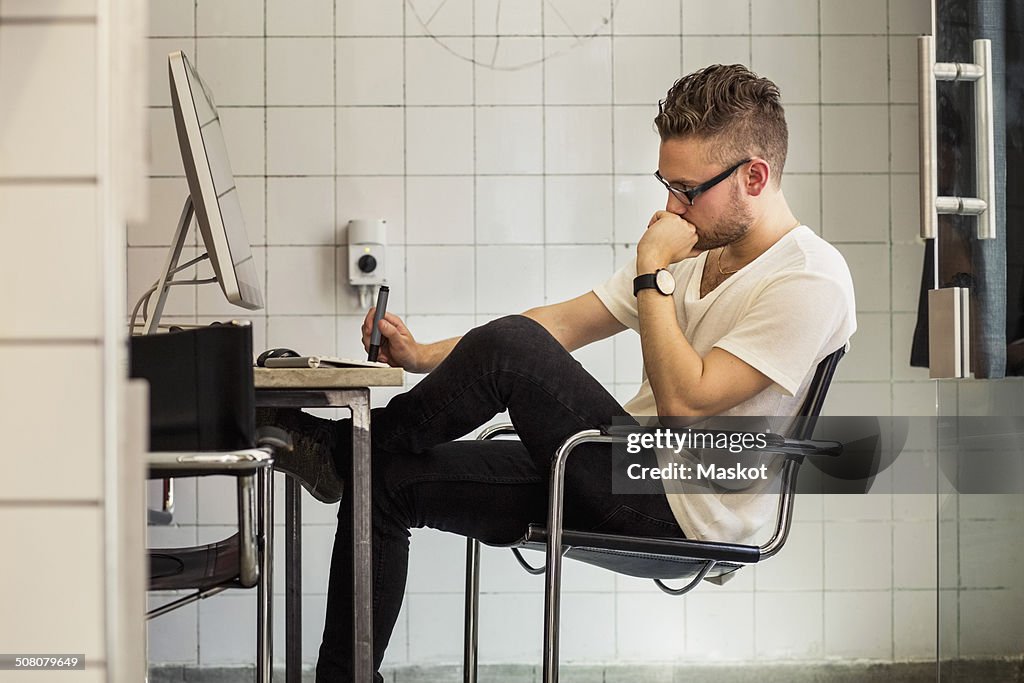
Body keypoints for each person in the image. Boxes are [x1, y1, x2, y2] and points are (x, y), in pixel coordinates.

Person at [262, 64, 856, 682]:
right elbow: (562, 325)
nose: (671, 208)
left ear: (753, 177)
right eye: (666, 185)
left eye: (687, 189)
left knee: (510, 351)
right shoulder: (694, 253)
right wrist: (421, 354)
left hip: (687, 508)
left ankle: (336, 450)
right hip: (612, 467)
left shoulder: (809, 278)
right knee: (382, 479)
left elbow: (685, 404)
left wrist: (651, 270)